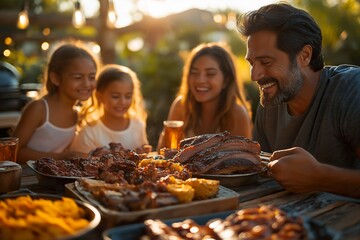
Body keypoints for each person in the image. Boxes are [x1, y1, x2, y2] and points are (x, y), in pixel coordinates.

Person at [237, 3, 360, 198]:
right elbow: (262, 178)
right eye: (252, 63)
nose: (255, 75)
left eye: (266, 62)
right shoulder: (271, 100)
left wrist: (320, 178)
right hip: (287, 222)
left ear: (305, 55)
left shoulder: (351, 90)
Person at [12, 42, 98, 164]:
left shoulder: (77, 114)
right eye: (78, 77)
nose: (87, 84)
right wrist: (61, 157)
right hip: (25, 179)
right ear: (56, 79)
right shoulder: (39, 108)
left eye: (92, 77)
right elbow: (12, 152)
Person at [157, 42, 253, 151]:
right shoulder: (181, 105)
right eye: (194, 73)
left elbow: (245, 162)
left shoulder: (237, 114)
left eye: (210, 74)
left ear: (226, 80)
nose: (200, 80)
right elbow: (162, 153)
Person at [70, 64, 150, 154]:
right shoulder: (89, 131)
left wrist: (144, 152)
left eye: (128, 96)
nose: (122, 102)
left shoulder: (138, 125)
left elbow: (144, 153)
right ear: (99, 96)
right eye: (115, 96)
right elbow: (77, 160)